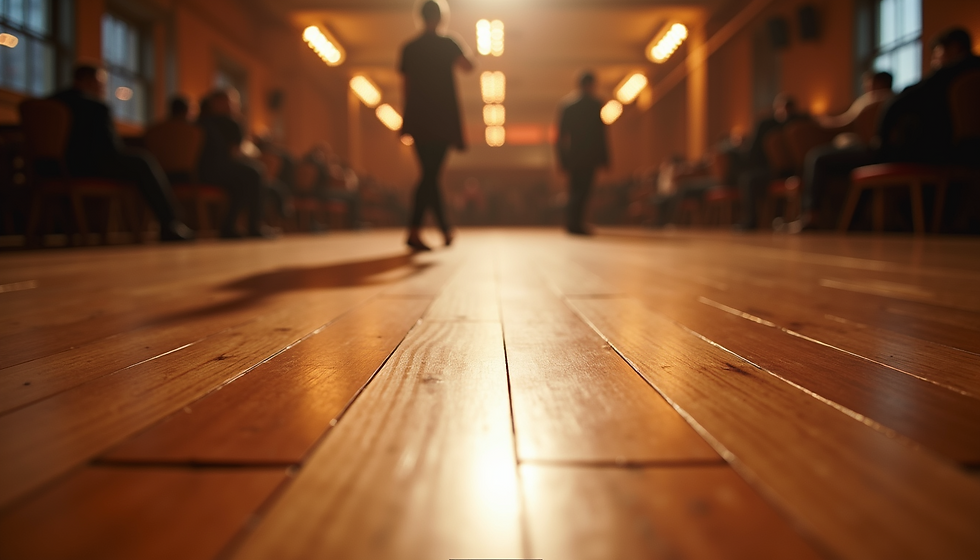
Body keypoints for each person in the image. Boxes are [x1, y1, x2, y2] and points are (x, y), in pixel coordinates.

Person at [797, 28, 980, 231]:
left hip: (935, 153)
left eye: (937, 53)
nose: (934, 60)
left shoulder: (949, 73)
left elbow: (896, 105)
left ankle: (819, 219)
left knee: (822, 157)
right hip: (968, 152)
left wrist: (881, 140)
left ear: (954, 48)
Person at [49, 65, 193, 241]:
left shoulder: (50, 103)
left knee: (139, 162)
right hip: (87, 167)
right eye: (100, 84)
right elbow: (110, 149)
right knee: (142, 162)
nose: (102, 88)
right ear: (88, 81)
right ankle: (169, 223)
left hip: (50, 169)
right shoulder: (96, 107)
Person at [399, 0, 473, 251]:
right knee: (431, 174)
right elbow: (469, 66)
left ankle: (442, 230)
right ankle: (416, 231)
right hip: (442, 119)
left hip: (419, 118)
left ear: (420, 17)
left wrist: (405, 119)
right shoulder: (448, 43)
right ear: (441, 18)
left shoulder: (409, 48)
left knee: (430, 175)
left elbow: (406, 87)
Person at [197, 89, 272, 238]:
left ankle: (229, 226)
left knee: (243, 182)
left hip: (195, 172)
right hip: (215, 171)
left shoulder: (198, 121)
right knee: (254, 173)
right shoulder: (231, 123)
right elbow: (234, 155)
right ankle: (254, 226)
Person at [735, 94, 808, 229]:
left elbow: (752, 155)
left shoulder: (767, 124)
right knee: (749, 178)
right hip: (796, 171)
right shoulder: (804, 120)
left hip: (781, 172)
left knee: (748, 179)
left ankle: (752, 221)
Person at [556, 71, 609, 235]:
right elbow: (600, 134)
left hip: (573, 157)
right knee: (584, 191)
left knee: (574, 190)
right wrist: (605, 158)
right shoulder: (595, 104)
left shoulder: (567, 105)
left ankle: (573, 223)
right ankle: (576, 223)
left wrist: (562, 159)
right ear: (590, 84)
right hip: (589, 156)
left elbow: (561, 136)